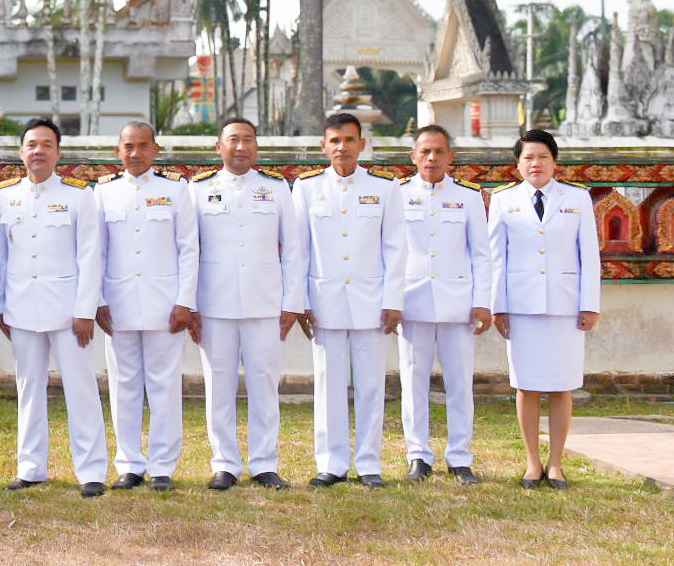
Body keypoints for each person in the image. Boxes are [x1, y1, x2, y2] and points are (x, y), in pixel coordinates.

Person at [188, 117, 302, 491]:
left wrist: (291, 304)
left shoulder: (276, 188)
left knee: (264, 385)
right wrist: (190, 304)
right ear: (218, 147)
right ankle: (224, 463)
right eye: (233, 140)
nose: (241, 147)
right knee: (218, 387)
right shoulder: (199, 190)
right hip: (215, 304)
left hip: (264, 303)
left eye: (248, 140)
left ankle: (265, 462)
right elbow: (189, 251)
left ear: (257, 146)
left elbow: (294, 251)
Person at [0, 118, 108, 498]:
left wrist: (85, 310)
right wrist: (0, 307)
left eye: (46, 144)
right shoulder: (4, 196)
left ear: (58, 152)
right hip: (22, 308)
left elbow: (91, 257)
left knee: (80, 388)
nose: (38, 151)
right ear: (21, 152)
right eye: (32, 144)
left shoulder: (79, 196)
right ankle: (31, 468)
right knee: (29, 388)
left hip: (68, 311)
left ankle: (91, 471)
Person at [292, 112, 404, 489]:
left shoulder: (385, 189)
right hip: (324, 301)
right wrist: (301, 300)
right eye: (335, 140)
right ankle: (331, 462)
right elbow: (298, 251)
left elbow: (396, 248)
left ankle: (369, 463)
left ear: (362, 144)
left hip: (371, 301)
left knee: (372, 384)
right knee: (328, 384)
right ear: (324, 145)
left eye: (349, 140)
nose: (342, 147)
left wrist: (393, 299)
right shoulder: (306, 189)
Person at [489, 129, 601, 490]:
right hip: (521, 307)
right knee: (527, 385)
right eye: (527, 158)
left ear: (555, 162)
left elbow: (590, 257)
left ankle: (556, 463)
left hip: (565, 307)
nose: (535, 164)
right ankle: (532, 463)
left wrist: (590, 304)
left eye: (542, 157)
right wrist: (498, 307)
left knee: (562, 386)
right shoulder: (504, 201)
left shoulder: (578, 198)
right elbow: (496, 258)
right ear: (517, 164)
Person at [95, 122, 198, 493]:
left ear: (155, 149)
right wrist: (99, 300)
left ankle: (162, 465)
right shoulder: (104, 193)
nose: (135, 153)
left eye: (142, 146)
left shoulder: (175, 189)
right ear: (118, 151)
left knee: (164, 385)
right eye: (128, 146)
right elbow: (98, 252)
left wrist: (185, 300)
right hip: (118, 305)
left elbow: (189, 248)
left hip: (164, 305)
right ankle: (129, 463)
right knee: (123, 385)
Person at [397, 124, 491, 484]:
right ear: (414, 157)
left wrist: (482, 302)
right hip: (412, 300)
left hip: (458, 303)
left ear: (451, 156)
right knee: (413, 380)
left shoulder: (468, 196)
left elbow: (481, 255)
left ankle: (460, 456)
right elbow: (390, 252)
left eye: (439, 151)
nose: (432, 158)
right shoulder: (399, 194)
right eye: (425, 152)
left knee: (459, 382)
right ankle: (418, 453)